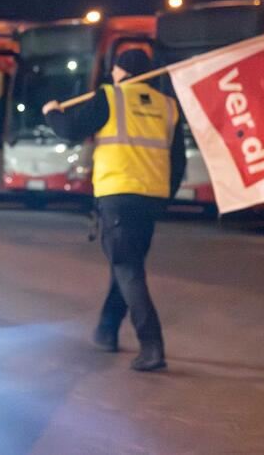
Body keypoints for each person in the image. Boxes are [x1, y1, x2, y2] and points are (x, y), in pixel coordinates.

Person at [42, 48, 184, 372]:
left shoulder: (111, 97)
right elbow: (178, 162)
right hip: (150, 199)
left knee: (127, 268)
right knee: (125, 265)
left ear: (120, 71)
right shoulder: (167, 106)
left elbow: (70, 129)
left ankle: (152, 345)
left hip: (117, 195)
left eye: (114, 71)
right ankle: (106, 330)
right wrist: (164, 196)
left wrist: (52, 112)